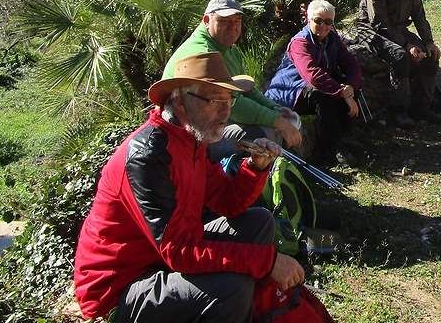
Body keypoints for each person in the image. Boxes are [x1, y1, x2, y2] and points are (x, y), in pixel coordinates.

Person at [73, 52, 306, 322]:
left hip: (161, 259)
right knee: (231, 288)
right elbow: (178, 252)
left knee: (259, 222)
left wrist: (255, 168)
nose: (225, 111)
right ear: (180, 101)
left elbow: (227, 203)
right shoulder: (148, 156)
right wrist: (267, 263)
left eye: (228, 99)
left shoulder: (191, 139)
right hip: (120, 288)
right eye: (214, 100)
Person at [164, 0, 303, 160]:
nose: (233, 26)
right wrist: (278, 122)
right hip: (190, 135)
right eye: (224, 21)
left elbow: (246, 90)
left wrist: (275, 109)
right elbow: (232, 106)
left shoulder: (228, 49)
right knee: (265, 133)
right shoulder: (204, 54)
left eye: (237, 21)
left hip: (210, 124)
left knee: (284, 121)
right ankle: (245, 173)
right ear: (206, 20)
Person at [265, 0, 363, 165]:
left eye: (328, 22)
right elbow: (312, 75)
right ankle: (329, 151)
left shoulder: (332, 38)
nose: (323, 26)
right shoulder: (300, 42)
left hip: (308, 88)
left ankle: (344, 138)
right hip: (289, 93)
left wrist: (350, 87)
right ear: (308, 20)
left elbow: (351, 63)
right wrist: (342, 92)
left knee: (351, 87)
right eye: (318, 21)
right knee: (323, 95)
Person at [356, 0, 441, 126]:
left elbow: (419, 14)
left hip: (399, 29)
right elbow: (379, 23)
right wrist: (406, 45)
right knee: (400, 56)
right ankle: (399, 112)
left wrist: (429, 42)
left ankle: (422, 109)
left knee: (430, 56)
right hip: (371, 31)